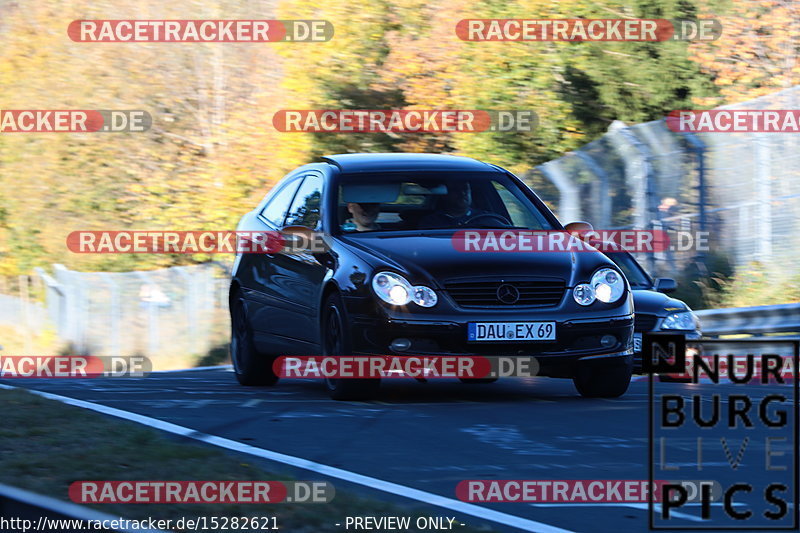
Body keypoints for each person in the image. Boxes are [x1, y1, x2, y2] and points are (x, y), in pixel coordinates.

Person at [419, 181, 485, 228]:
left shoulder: (485, 218)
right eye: (455, 190)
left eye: (465, 188)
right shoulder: (431, 222)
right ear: (444, 195)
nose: (462, 193)